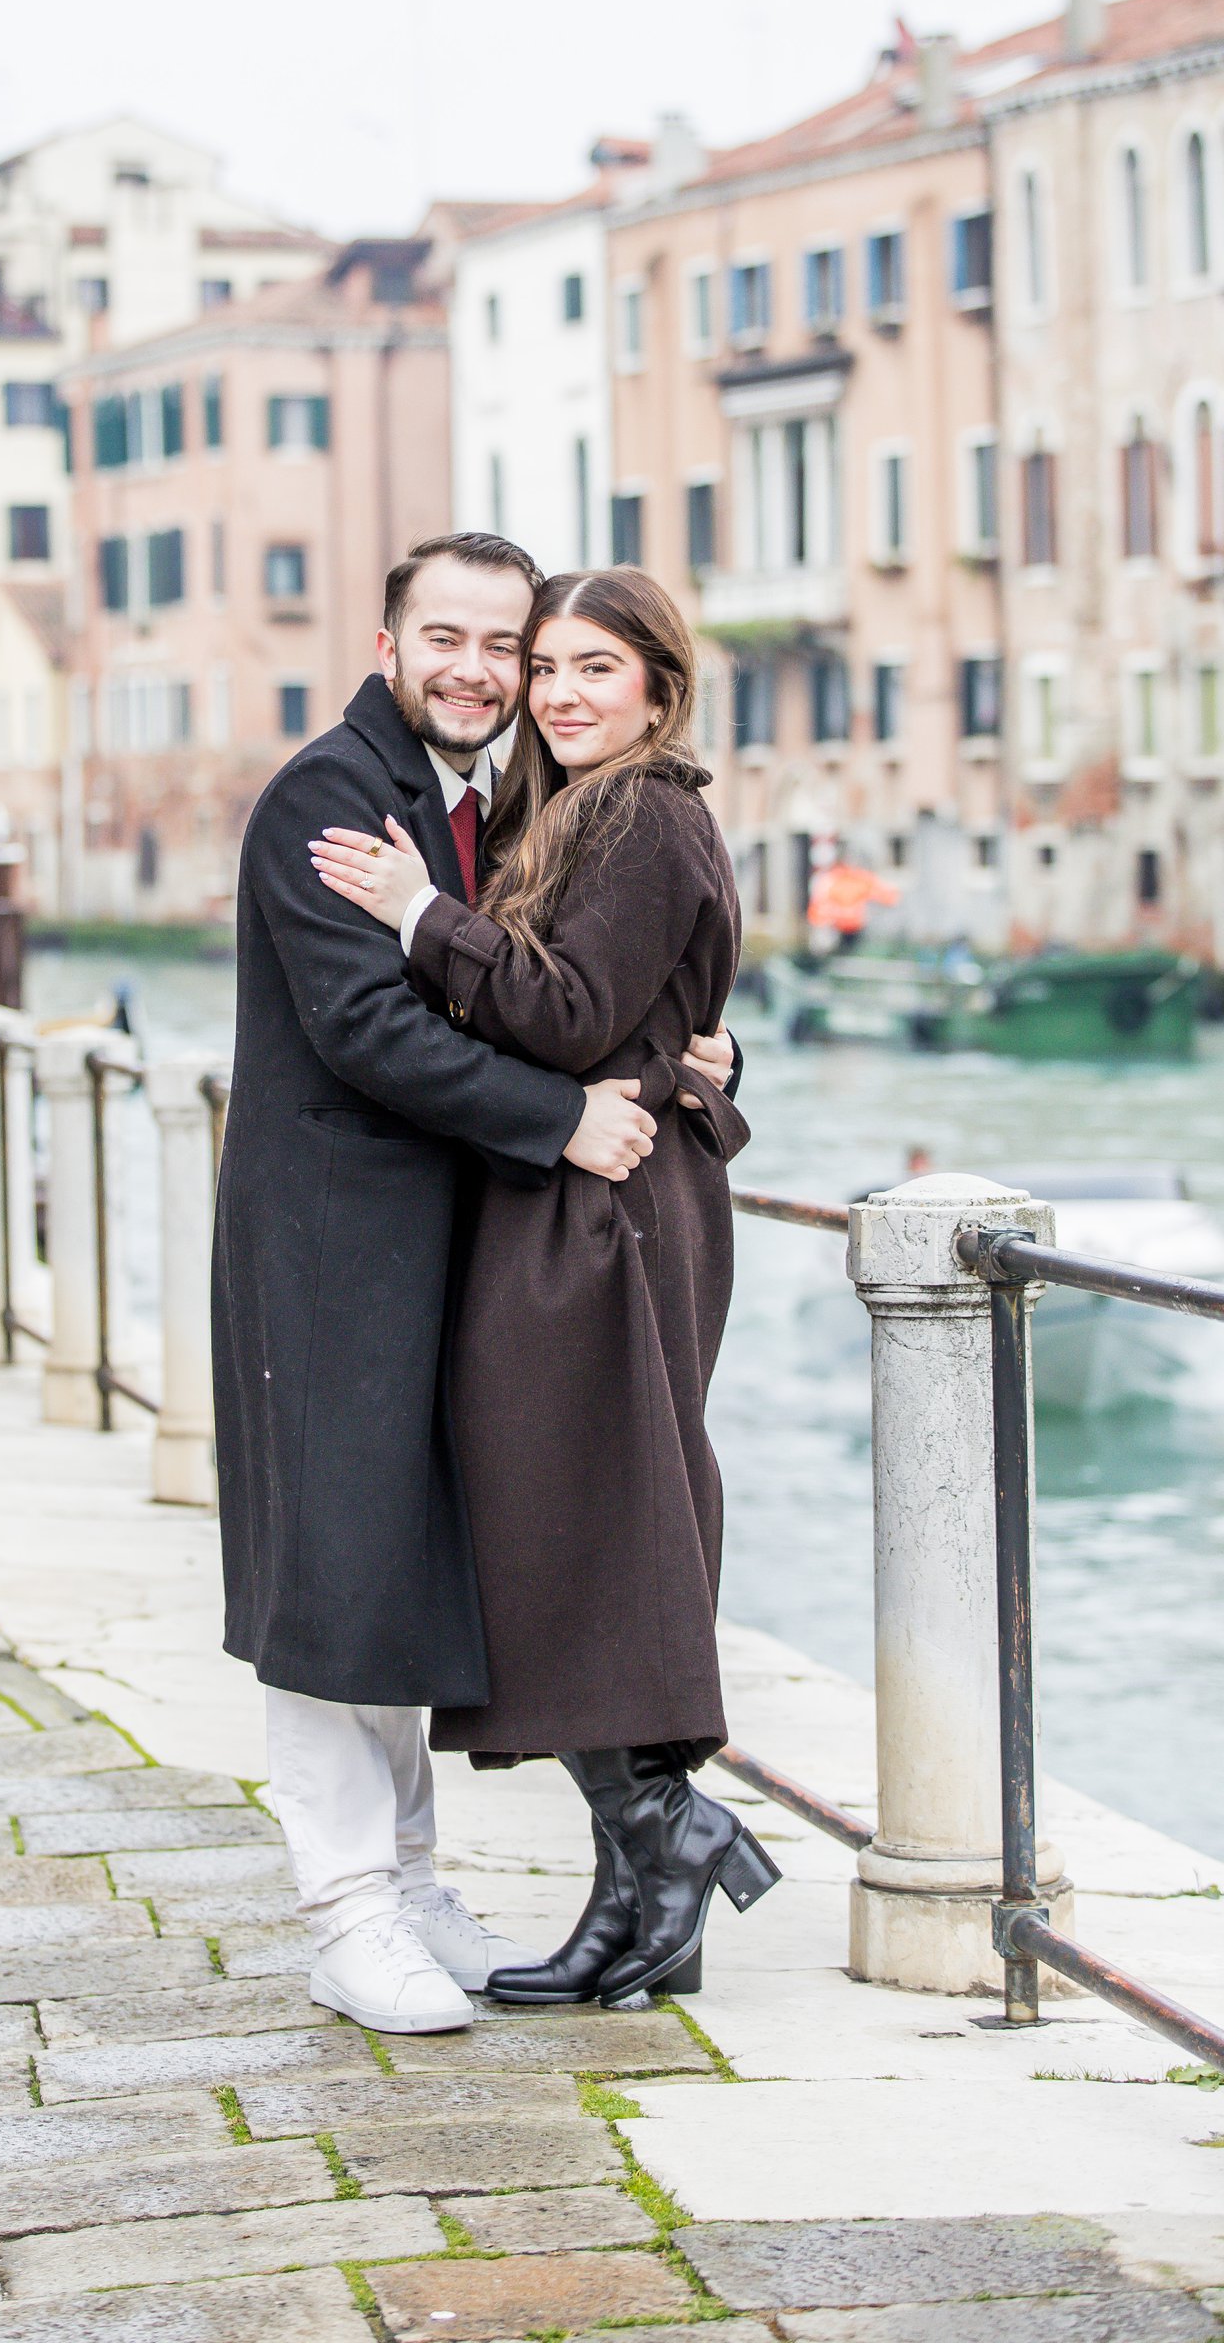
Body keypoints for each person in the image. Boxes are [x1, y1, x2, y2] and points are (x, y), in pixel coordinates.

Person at [211, 531, 735, 2036]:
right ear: (387, 644)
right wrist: (564, 1116)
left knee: (407, 1572)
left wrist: (692, 1051)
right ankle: (346, 1913)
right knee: (328, 1582)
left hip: (449, 1246)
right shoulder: (331, 796)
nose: (483, 671)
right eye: (450, 638)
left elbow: (581, 980)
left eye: (509, 647)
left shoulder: (502, 800)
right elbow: (377, 1032)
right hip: (330, 1250)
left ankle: (417, 1884)